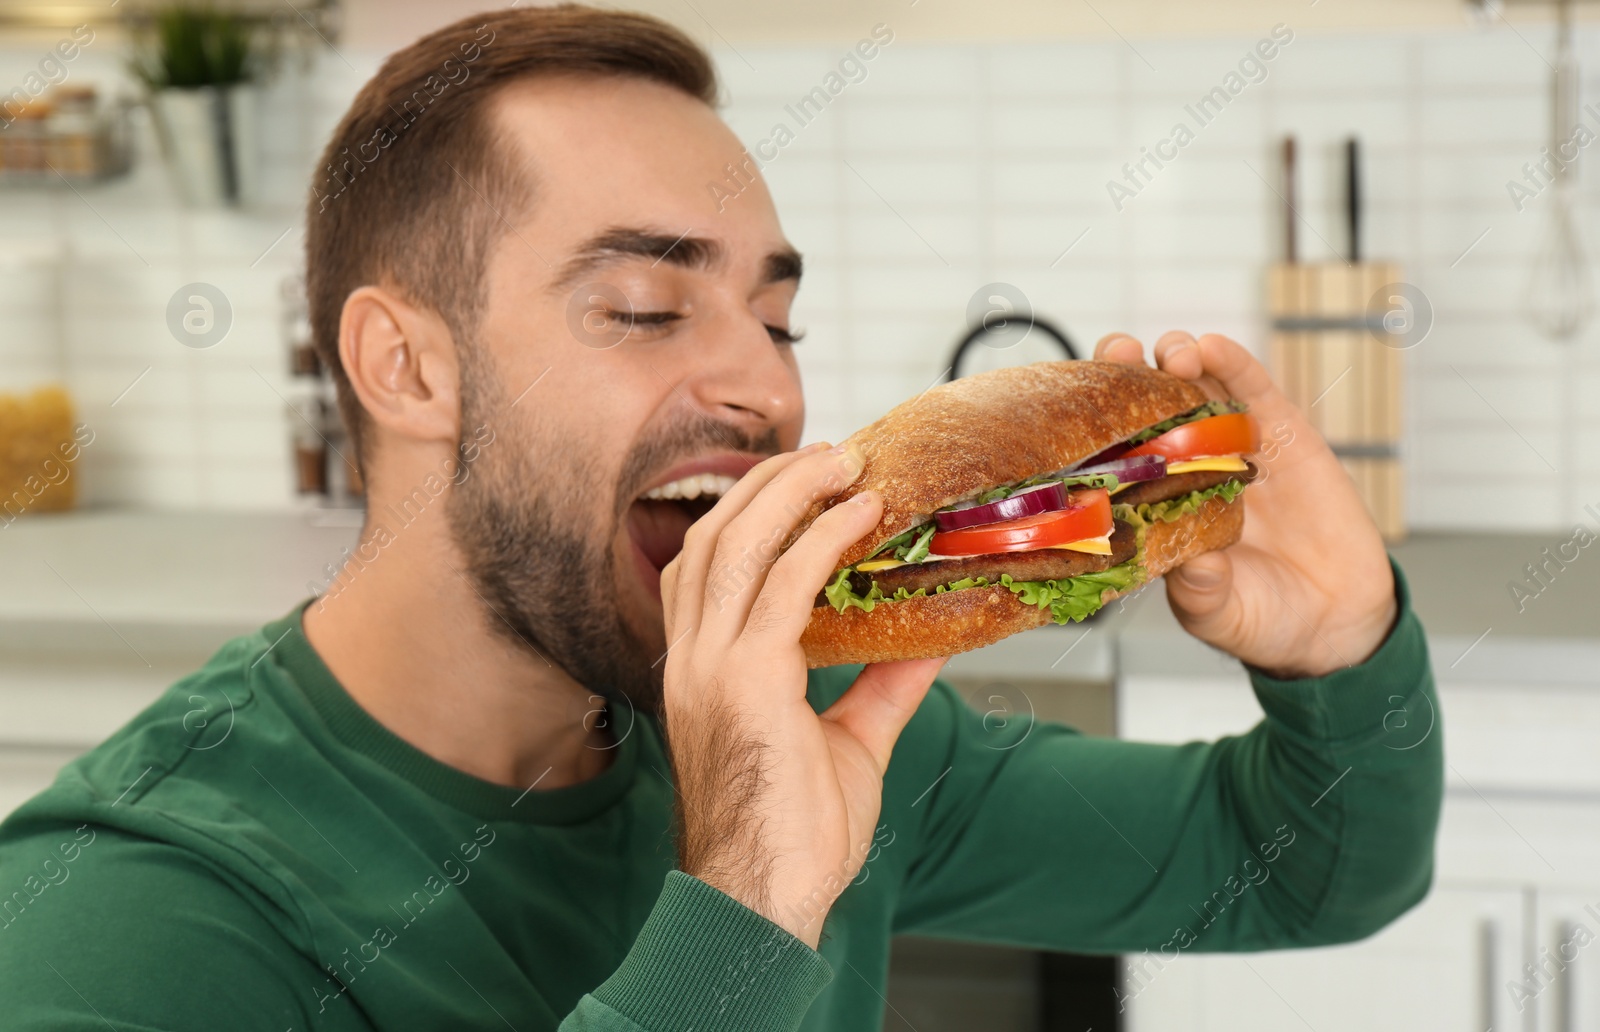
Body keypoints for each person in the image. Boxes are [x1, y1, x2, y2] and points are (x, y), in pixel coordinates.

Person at [0, 7, 1441, 1030]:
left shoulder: (816, 723)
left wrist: (1340, 643)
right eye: (641, 306)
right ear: (407, 365)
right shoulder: (131, 923)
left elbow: (1312, 869)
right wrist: (744, 903)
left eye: (777, 316)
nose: (762, 382)